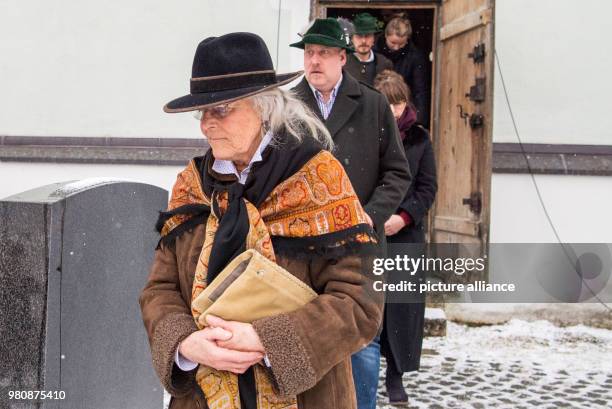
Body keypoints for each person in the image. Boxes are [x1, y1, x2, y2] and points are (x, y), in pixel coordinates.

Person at [139, 32, 384, 409]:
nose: (206, 125)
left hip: (307, 398)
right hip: (202, 397)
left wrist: (267, 341)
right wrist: (187, 343)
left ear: (264, 107)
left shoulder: (317, 179)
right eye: (202, 113)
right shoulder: (192, 186)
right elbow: (160, 289)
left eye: (221, 110)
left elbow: (359, 302)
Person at [290, 18, 412, 409]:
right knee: (303, 332)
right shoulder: (288, 106)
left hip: (359, 243)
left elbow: (397, 172)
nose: (314, 61)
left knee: (361, 342)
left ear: (343, 58)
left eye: (324, 53)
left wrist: (367, 216)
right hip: (302, 245)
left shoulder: (373, 104)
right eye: (309, 53)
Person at [374, 70, 438, 406]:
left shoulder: (419, 139)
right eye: (388, 104)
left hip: (405, 234)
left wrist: (403, 218)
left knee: (401, 309)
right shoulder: (368, 134)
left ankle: (395, 376)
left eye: (398, 104)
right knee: (369, 305)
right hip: (372, 230)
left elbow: (428, 188)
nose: (394, 111)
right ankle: (364, 372)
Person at [375, 17, 430, 127]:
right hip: (378, 105)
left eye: (401, 44)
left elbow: (420, 91)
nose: (396, 48)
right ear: (386, 36)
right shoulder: (374, 52)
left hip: (404, 107)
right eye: (393, 42)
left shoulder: (414, 56)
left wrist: (419, 120)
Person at [343, 13, 393, 86]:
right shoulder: (343, 63)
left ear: (374, 38)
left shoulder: (384, 63)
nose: (363, 41)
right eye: (359, 36)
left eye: (368, 36)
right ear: (352, 39)